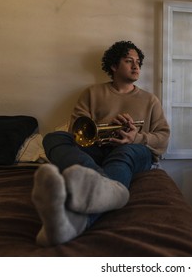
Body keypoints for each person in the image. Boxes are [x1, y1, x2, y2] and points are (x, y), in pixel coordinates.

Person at [32, 40, 170, 247]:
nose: (136, 66)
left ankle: (94, 188)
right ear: (114, 66)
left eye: (138, 62)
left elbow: (163, 137)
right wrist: (105, 127)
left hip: (132, 151)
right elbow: (76, 132)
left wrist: (135, 137)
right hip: (96, 150)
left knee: (125, 153)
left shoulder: (150, 100)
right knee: (54, 138)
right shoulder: (92, 93)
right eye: (129, 61)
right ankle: (104, 183)